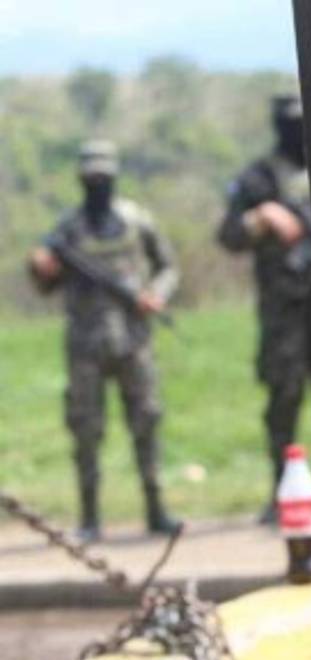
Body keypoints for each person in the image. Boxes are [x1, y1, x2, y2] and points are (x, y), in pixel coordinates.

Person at [27, 140, 181, 542]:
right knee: (86, 430)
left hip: (135, 341)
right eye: (90, 177)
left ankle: (156, 509)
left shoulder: (136, 220)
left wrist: (157, 295)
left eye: (104, 176)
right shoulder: (67, 228)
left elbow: (168, 266)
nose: (97, 183)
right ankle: (90, 517)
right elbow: (46, 280)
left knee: (146, 421)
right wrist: (40, 268)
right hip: (85, 346)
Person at [217, 93, 311, 524]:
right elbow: (228, 235)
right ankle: (282, 490)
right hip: (283, 313)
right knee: (284, 398)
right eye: (288, 123)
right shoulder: (258, 179)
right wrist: (261, 216)